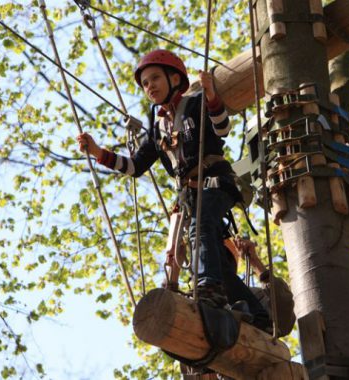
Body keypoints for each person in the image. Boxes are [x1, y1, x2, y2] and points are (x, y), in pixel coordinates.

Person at [77, 49, 269, 330]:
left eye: (155, 78)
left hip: (215, 183)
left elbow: (223, 128)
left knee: (200, 228)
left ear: (175, 78)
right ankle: (257, 314)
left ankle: (208, 287)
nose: (150, 86)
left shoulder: (196, 103)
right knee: (207, 250)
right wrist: (97, 152)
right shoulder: (158, 129)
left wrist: (212, 94)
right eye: (145, 83)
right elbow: (135, 166)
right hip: (191, 194)